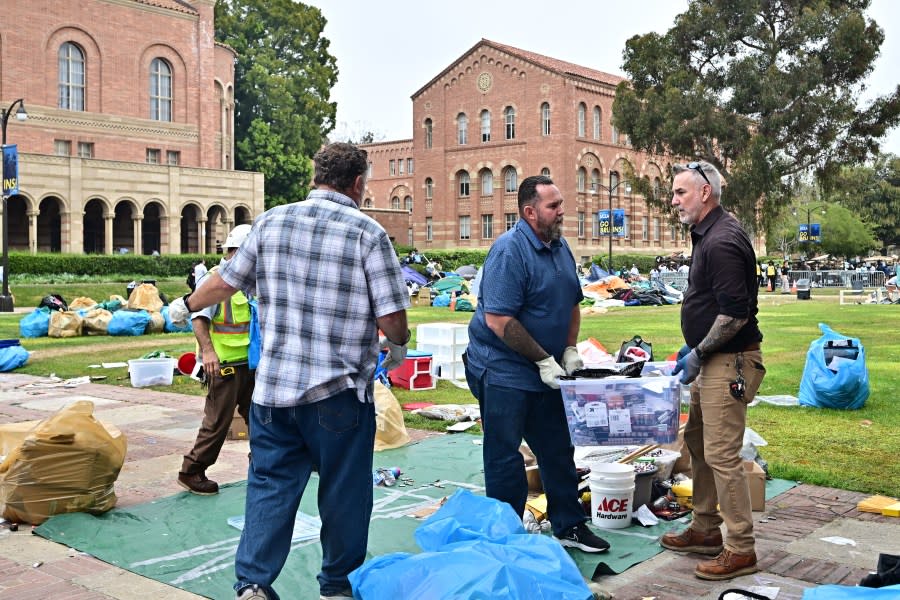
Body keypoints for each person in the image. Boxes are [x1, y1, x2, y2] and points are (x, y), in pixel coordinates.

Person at [168, 142, 410, 600]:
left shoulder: (271, 221)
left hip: (273, 393)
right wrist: (396, 348)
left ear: (315, 175)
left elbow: (226, 280)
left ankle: (253, 585)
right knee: (343, 492)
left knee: (269, 487)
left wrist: (186, 304)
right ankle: (337, 587)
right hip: (337, 395)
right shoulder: (367, 233)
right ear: (358, 183)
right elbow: (392, 320)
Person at [464, 174, 611, 555]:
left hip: (547, 371)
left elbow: (572, 303)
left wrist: (569, 349)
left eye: (561, 203)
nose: (562, 211)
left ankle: (569, 525)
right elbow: (498, 320)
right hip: (502, 370)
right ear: (530, 212)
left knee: (557, 448)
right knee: (504, 456)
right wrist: (544, 359)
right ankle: (506, 537)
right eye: (553, 206)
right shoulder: (509, 251)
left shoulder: (560, 247)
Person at [661, 161, 766, 580]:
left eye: (680, 193)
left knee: (722, 454)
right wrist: (697, 350)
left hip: (728, 360)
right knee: (698, 442)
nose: (673, 201)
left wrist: (697, 351)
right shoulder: (712, 232)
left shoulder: (721, 240)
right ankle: (705, 528)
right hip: (712, 358)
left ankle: (741, 548)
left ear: (705, 192)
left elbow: (736, 315)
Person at [178, 224, 255, 496]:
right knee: (218, 422)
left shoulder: (249, 282)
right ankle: (192, 470)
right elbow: (198, 317)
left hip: (251, 362)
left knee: (260, 419)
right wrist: (208, 352)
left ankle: (261, 464)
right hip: (225, 365)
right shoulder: (215, 279)